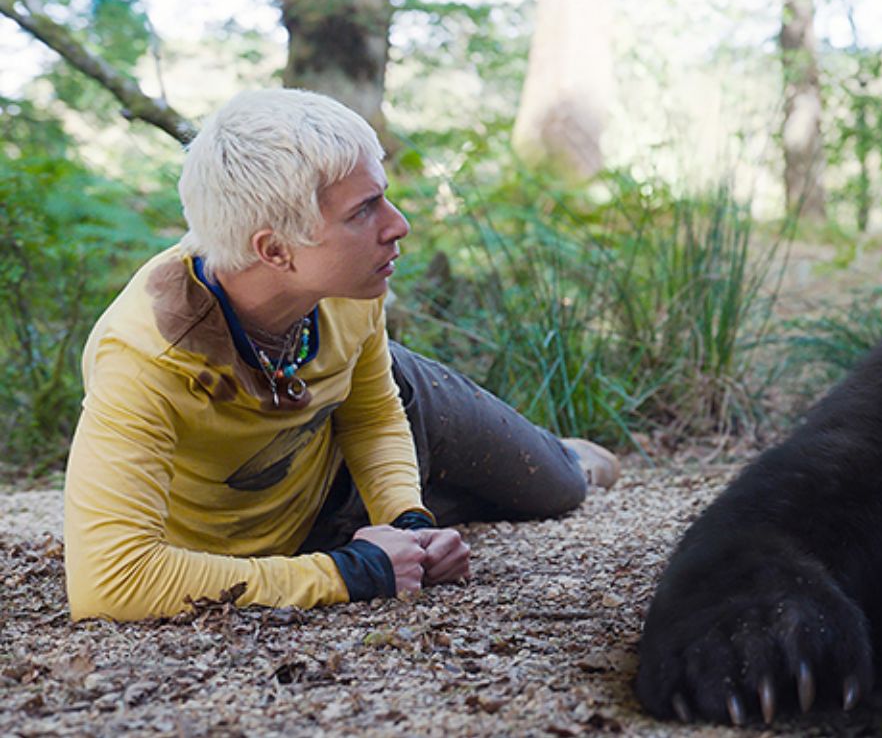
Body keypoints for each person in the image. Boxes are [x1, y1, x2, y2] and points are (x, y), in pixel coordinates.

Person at [63, 88, 621, 620]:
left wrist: (404, 522)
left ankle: (565, 458)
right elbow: (108, 580)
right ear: (275, 249)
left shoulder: (351, 288)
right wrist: (353, 573)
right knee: (484, 503)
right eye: (364, 211)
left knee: (560, 490)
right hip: (296, 532)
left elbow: (374, 411)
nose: (398, 225)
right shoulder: (145, 357)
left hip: (349, 455)